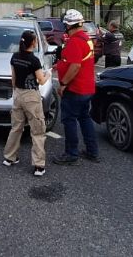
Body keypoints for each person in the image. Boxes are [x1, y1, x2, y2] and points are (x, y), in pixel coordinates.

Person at [52, 9, 100, 165]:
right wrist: (59, 65)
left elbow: (75, 66)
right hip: (87, 88)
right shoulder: (86, 38)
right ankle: (92, 151)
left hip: (75, 89)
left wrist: (63, 84)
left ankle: (71, 154)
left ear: (68, 25)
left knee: (69, 120)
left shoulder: (75, 41)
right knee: (85, 118)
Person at [2, 30, 49, 176]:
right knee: (37, 130)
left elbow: (13, 78)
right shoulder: (34, 60)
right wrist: (49, 74)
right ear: (33, 42)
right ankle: (38, 166)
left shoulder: (15, 57)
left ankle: (10, 158)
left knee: (16, 127)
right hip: (31, 97)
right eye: (35, 40)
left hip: (18, 94)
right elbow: (41, 80)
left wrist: (16, 91)